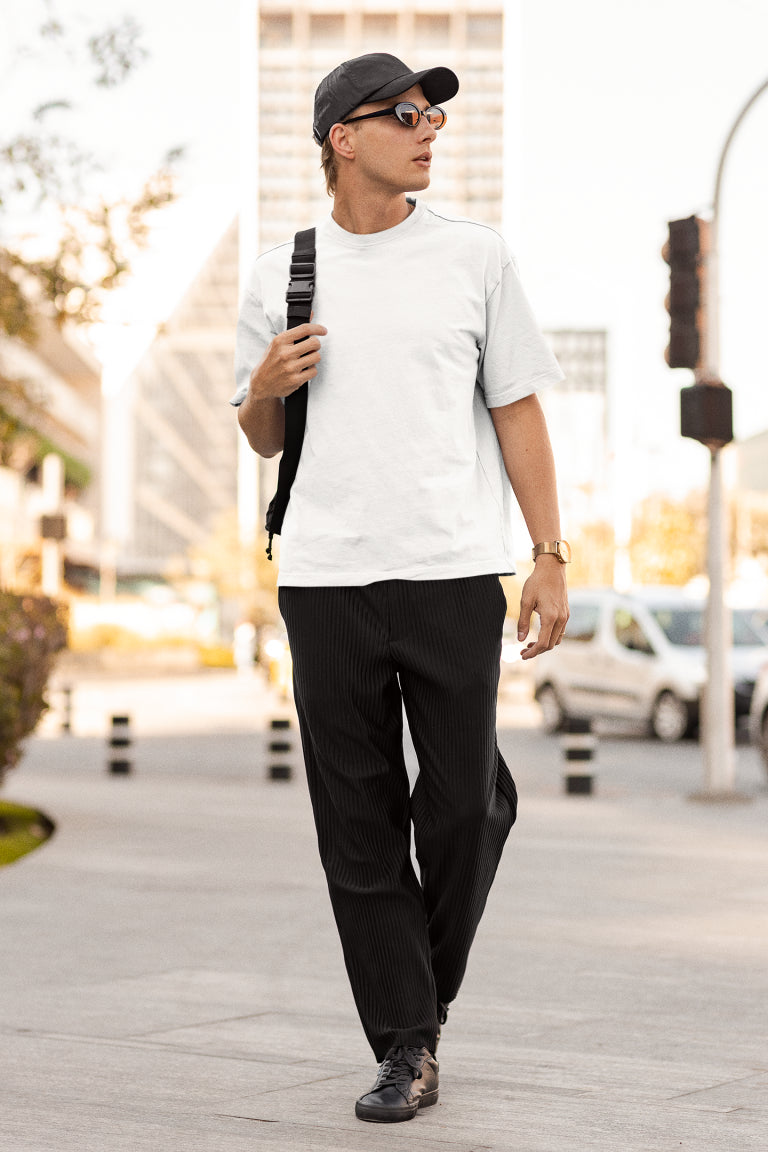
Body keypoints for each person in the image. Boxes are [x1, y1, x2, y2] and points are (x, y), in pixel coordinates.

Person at [233, 53, 570, 1124]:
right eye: (405, 115)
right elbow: (259, 438)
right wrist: (261, 390)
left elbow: (517, 406)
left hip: (451, 570)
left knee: (465, 804)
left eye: (433, 115)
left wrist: (551, 553)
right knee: (359, 820)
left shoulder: (474, 257)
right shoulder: (280, 269)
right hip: (325, 576)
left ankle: (410, 999)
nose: (430, 130)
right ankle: (408, 1043)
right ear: (343, 136)